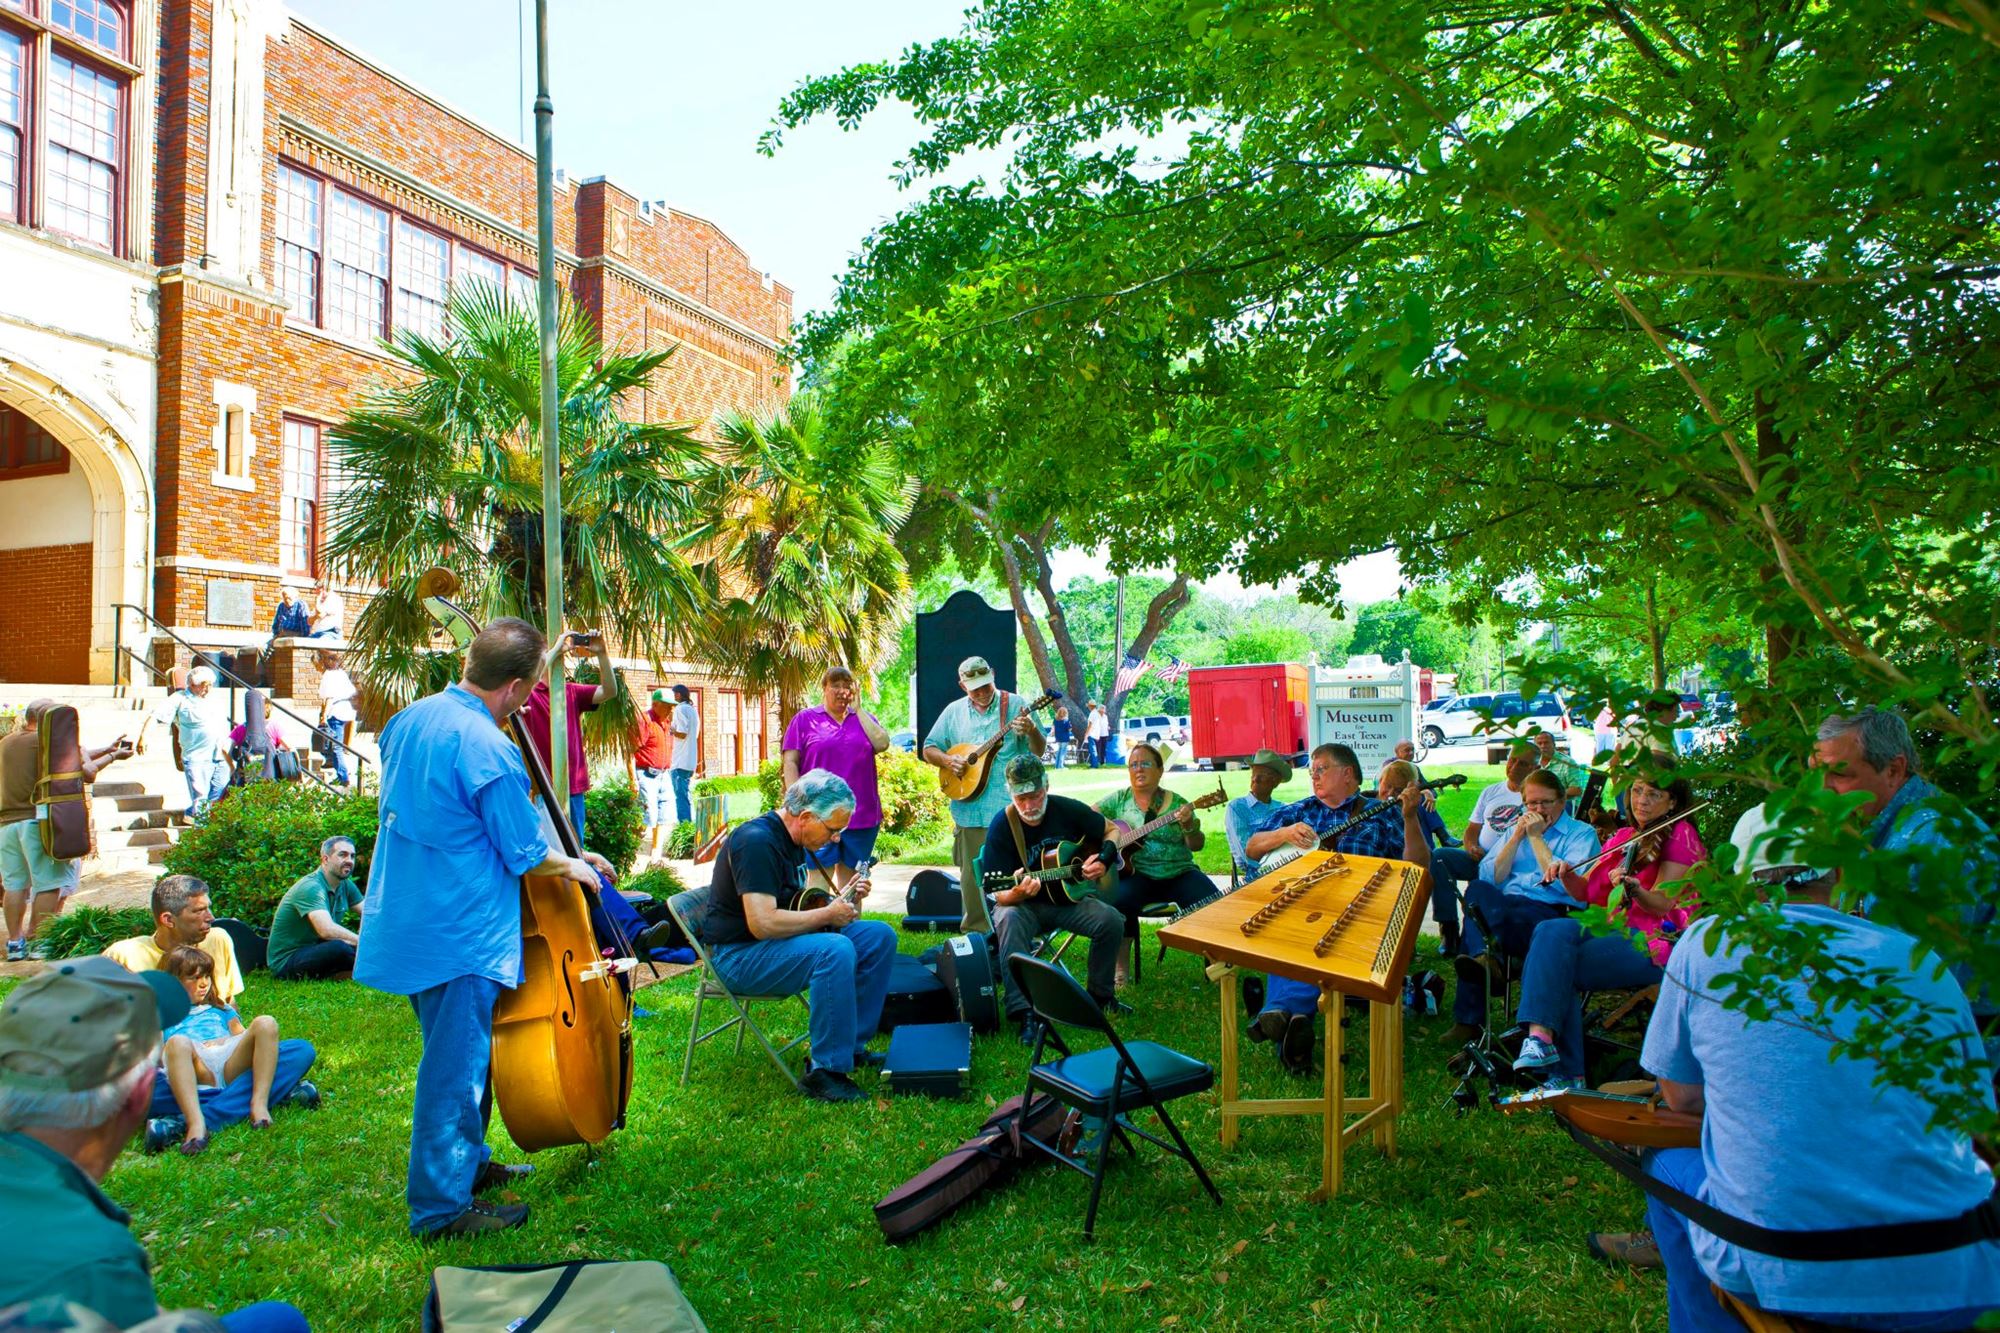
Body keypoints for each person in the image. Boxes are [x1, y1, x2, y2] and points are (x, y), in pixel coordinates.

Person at [1640, 804, 2000, 1333]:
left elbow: (1683, 1098)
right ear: (1840, 872)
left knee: (1665, 1161)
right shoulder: (1918, 960)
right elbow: (1975, 1119)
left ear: (1741, 876)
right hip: (1952, 1270)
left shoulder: (1706, 942)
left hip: (1784, 1265)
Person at [353, 617, 610, 1238]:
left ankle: (466, 1164)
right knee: (456, 1069)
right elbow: (523, 851)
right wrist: (573, 862)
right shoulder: (489, 747)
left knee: (462, 1054)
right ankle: (440, 1209)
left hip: (411, 914)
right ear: (517, 688)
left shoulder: (408, 719)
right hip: (460, 927)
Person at [0, 957, 311, 1331]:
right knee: (281, 1321)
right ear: (139, 1096)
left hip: (215, 1070)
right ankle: (225, 1107)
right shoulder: (92, 1259)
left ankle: (195, 1113)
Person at [701, 770, 898, 1103]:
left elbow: (796, 905)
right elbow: (763, 923)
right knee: (834, 950)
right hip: (737, 957)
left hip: (771, 946)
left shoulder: (794, 840)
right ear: (805, 817)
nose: (836, 839)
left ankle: (851, 1047)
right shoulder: (756, 842)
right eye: (833, 830)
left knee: (879, 936)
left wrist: (843, 899)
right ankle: (825, 1072)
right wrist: (828, 915)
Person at [1244, 743, 1430, 1072]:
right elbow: (1253, 847)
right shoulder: (1299, 811)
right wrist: (1284, 833)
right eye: (1311, 771)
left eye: (1321, 769)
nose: (1313, 776)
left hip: (1363, 908)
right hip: (1305, 904)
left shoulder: (1383, 812)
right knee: (1286, 928)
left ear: (1347, 774)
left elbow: (1418, 865)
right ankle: (1295, 1020)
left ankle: (1283, 1013)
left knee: (1302, 936)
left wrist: (1410, 817)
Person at [1512, 770, 1704, 1082]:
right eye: (1637, 790)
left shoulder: (1680, 834)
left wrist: (1635, 890)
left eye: (1653, 794)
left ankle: (1566, 1073)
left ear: (1673, 802)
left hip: (1656, 939)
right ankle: (1540, 1038)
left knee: (1560, 966)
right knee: (1551, 929)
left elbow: (1664, 904)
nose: (1642, 800)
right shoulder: (1623, 837)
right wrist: (1566, 873)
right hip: (1612, 930)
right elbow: (1585, 892)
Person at [103, 876, 319, 1148]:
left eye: (209, 908)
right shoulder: (124, 955)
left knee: (299, 1051)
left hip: (224, 1060)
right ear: (168, 919)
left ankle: (183, 1122)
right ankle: (276, 1092)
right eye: (199, 911)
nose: (211, 917)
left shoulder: (218, 939)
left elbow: (230, 1009)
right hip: (173, 1063)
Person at [1445, 768, 1602, 1044]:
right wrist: (1517, 837)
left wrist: (1536, 838)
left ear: (1562, 801)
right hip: (1505, 909)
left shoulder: (1581, 834)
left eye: (1546, 802)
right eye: (1531, 803)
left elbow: (1567, 888)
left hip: (1548, 913)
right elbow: (1491, 877)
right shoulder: (1514, 829)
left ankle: (1470, 1016)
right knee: (1477, 890)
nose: (1538, 810)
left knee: (1477, 929)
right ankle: (1488, 960)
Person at [980, 755, 1125, 1043]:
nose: (1029, 806)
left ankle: (1100, 997)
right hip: (1023, 907)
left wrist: (1105, 859)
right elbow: (997, 894)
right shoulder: (1003, 824)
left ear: (1046, 786)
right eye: (1021, 799)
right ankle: (1024, 1012)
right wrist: (1017, 892)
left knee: (1111, 920)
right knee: (1008, 919)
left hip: (1067, 900)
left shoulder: (1066, 809)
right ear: (1011, 794)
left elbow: (1112, 829)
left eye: (1035, 796)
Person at [923, 657, 1046, 934]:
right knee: (971, 878)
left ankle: (1016, 933)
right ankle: (977, 938)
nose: (981, 692)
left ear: (993, 674)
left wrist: (1032, 730)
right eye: (974, 688)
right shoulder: (953, 712)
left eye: (985, 685)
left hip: (1009, 811)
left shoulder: (1016, 705)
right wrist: (947, 760)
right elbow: (929, 748)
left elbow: (1038, 751)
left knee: (1014, 874)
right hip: (969, 811)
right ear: (962, 685)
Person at [3, 702, 132, 960]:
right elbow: (87, 772)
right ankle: (41, 944)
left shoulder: (7, 742)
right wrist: (113, 757)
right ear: (49, 719)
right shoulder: (50, 743)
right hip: (38, 822)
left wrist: (104, 749)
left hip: (6, 824)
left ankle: (15, 943)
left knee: (14, 885)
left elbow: (71, 759)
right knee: (49, 885)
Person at [1096, 742, 1210, 986]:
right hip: (1138, 874)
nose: (1138, 769)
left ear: (1160, 770)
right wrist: (1109, 838)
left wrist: (1189, 826)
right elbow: (1088, 817)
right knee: (1118, 901)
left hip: (1179, 872)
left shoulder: (1179, 803)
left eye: (1145, 763)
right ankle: (1120, 970)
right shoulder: (1119, 799)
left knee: (1212, 900)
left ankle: (1216, 966)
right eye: (1133, 765)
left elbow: (1196, 845)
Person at [156, 947, 282, 1155]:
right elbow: (158, 1054)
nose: (204, 983)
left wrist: (221, 1041)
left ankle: (259, 1104)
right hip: (194, 1067)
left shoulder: (221, 1008)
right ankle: (196, 1124)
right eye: (194, 978)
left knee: (266, 1023)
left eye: (206, 976)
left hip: (227, 1061)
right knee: (178, 1042)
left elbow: (242, 1037)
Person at [782, 665, 892, 892]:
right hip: (818, 815)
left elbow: (882, 744)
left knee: (853, 887)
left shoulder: (864, 719)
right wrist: (795, 803)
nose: (842, 691)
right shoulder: (804, 720)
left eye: (847, 686)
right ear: (824, 688)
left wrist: (858, 710)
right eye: (835, 685)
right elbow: (790, 761)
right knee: (818, 883)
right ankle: (821, 917)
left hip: (861, 816)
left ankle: (849, 917)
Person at [1430, 744, 1537, 958]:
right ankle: (1448, 930)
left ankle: (1485, 939)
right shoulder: (1491, 792)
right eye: (1512, 760)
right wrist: (1471, 846)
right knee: (1441, 857)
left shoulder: (1535, 797)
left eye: (1522, 763)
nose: (1514, 766)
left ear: (1535, 768)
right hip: (1480, 858)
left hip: (1512, 865)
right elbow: (1472, 829)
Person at [520, 629, 619, 839]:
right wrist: (556, 649)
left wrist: (602, 653)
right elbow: (527, 681)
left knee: (574, 846)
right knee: (543, 847)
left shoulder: (571, 691)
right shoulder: (527, 693)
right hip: (538, 786)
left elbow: (610, 691)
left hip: (572, 786)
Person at [137, 666, 231, 819]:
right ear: (192, 684)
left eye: (210, 685)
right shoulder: (179, 699)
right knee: (200, 797)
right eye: (204, 685)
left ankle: (197, 817)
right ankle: (201, 828)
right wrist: (144, 737)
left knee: (219, 794)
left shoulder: (214, 699)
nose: (208, 689)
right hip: (197, 758)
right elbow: (155, 716)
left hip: (220, 755)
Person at [266, 837, 362, 981]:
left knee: (349, 946)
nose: (349, 860)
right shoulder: (311, 887)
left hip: (316, 948)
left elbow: (370, 915)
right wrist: (365, 943)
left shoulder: (345, 885)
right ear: (325, 859)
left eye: (352, 856)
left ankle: (350, 972)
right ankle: (357, 971)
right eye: (342, 855)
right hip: (287, 960)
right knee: (339, 948)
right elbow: (326, 930)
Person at [1224, 748, 1291, 880]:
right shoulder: (1237, 807)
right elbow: (1246, 856)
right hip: (1258, 874)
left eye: (1261, 775)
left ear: (1275, 781)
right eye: (1253, 773)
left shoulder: (1283, 808)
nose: (1255, 779)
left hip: (1286, 868)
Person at [628, 690, 676, 864]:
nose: (671, 709)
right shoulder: (645, 720)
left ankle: (656, 856)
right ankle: (630, 851)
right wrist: (633, 779)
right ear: (655, 704)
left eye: (672, 706)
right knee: (646, 816)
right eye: (667, 705)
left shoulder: (667, 723)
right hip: (646, 774)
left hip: (664, 774)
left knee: (663, 815)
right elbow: (629, 751)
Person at [313, 651, 357, 787]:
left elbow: (329, 697)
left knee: (335, 746)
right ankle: (334, 765)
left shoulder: (328, 675)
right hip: (345, 710)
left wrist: (323, 716)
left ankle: (343, 777)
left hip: (335, 712)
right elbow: (351, 691)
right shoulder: (341, 674)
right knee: (334, 744)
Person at [668, 683, 701, 828]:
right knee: (686, 795)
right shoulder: (693, 711)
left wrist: (671, 730)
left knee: (681, 797)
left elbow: (682, 733)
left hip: (680, 761)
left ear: (678, 695)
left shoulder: (680, 709)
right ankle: (690, 826)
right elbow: (694, 734)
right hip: (690, 760)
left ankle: (685, 827)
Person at [1532, 730, 1589, 802]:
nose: (1543, 746)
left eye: (1546, 743)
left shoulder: (1568, 762)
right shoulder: (1531, 763)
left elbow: (1576, 790)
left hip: (1562, 803)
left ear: (1554, 745)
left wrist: (1550, 796)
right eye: (1539, 743)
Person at [1085, 702, 1110, 768]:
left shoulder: (1102, 716)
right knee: (1096, 749)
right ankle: (1095, 762)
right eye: (1101, 710)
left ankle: (1098, 763)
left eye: (1103, 710)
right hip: (1098, 734)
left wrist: (1086, 733)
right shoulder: (1096, 714)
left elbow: (1090, 725)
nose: (1102, 711)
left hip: (1099, 734)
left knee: (1097, 749)